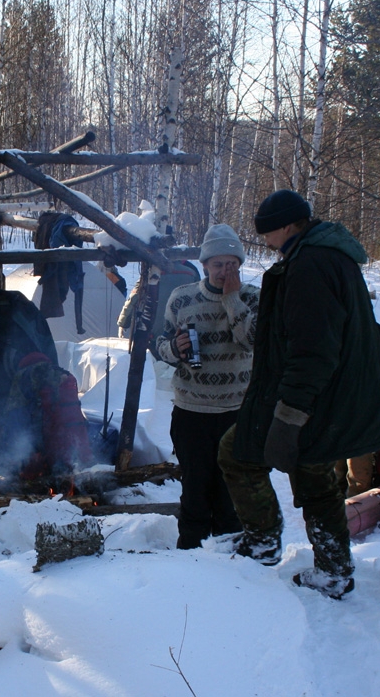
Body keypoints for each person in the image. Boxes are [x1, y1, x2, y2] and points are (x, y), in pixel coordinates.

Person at [218, 189, 380, 598]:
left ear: (286, 226)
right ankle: (331, 568)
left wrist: (290, 415)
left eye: (267, 230)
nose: (264, 239)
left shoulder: (310, 266)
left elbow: (313, 350)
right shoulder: (328, 257)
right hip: (328, 398)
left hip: (316, 402)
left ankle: (267, 543)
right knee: (314, 481)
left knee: (239, 455)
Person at [154, 224, 259, 549]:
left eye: (232, 265)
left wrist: (232, 299)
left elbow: (251, 340)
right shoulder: (182, 297)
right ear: (204, 265)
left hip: (236, 412)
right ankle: (191, 555)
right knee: (196, 489)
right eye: (218, 265)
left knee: (230, 492)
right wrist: (176, 349)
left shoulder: (253, 297)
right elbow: (160, 343)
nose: (226, 272)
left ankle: (229, 559)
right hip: (191, 412)